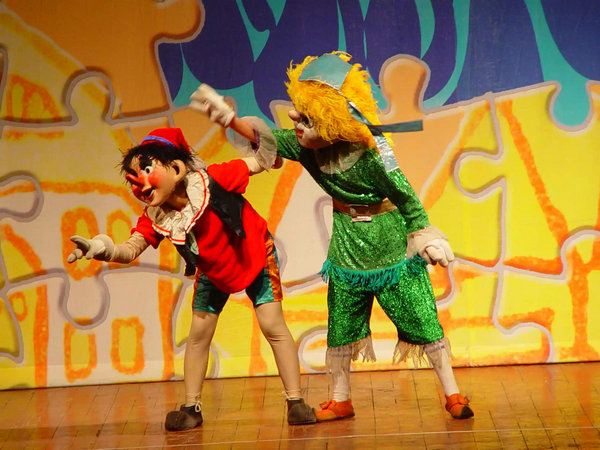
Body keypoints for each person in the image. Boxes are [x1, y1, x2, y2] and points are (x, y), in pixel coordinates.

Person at [190, 51, 474, 421]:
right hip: (346, 249)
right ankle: (341, 399)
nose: (296, 122)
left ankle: (452, 393)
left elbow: (405, 195)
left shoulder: (374, 153)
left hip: (391, 248)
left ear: (332, 122)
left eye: (307, 118)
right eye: (299, 113)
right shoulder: (306, 147)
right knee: (342, 323)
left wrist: (424, 235)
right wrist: (229, 119)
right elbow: (268, 138)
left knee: (421, 318)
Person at [67, 127, 317, 430]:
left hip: (253, 253)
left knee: (272, 325)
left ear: (176, 168)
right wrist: (102, 249)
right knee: (199, 335)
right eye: (133, 177)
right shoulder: (157, 216)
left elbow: (261, 161)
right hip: (213, 269)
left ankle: (295, 401)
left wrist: (246, 128)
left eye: (146, 169)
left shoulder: (213, 180)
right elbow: (130, 249)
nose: (138, 183)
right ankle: (191, 407)